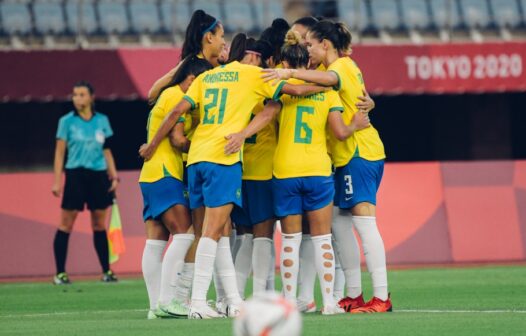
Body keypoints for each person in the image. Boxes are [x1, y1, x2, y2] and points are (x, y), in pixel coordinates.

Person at [139, 52, 329, 319]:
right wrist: (329, 84)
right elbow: (295, 90)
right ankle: (197, 303)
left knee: (211, 232)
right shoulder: (250, 74)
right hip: (223, 158)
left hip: (196, 161)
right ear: (251, 57)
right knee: (213, 232)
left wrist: (152, 144)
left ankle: (230, 299)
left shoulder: (207, 76)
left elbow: (177, 111)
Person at [263, 20, 392, 313]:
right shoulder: (328, 72)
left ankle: (382, 297)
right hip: (341, 158)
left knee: (364, 222)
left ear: (326, 44)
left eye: (311, 44)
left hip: (359, 150)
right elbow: (349, 94)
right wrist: (368, 103)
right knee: (339, 225)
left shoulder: (342, 66)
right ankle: (354, 295)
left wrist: (288, 72)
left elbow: (332, 82)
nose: (307, 50)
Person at [139, 56, 213, 319]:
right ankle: (167, 300)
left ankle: (154, 307)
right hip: (164, 172)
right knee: (185, 234)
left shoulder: (166, 93)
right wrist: (207, 146)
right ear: (192, 80)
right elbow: (177, 138)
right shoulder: (174, 96)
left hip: (149, 176)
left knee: (156, 242)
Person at [51, 81, 119, 285]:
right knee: (66, 224)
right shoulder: (66, 121)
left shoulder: (102, 121)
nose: (77, 98)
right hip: (75, 175)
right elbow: (59, 153)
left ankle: (107, 271)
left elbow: (107, 151)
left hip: (98, 176)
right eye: (74, 95)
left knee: (99, 224)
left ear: (91, 97)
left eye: (81, 94)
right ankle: (60, 273)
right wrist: (57, 181)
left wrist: (114, 176)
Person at [147, 10, 225, 105]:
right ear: (209, 37)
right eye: (222, 36)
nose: (224, 42)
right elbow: (152, 94)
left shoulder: (214, 63)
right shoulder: (189, 64)